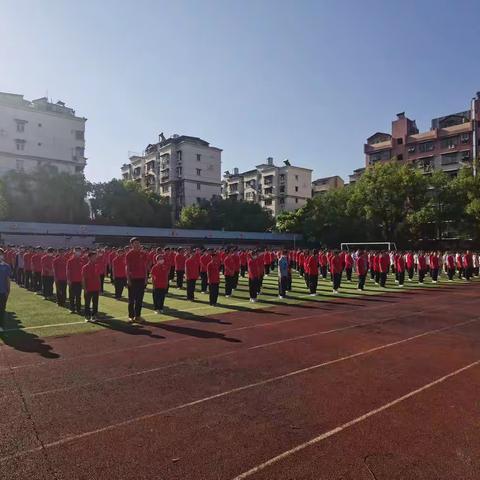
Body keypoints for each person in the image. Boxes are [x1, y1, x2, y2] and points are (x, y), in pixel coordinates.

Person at [125, 237, 148, 323]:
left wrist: (146, 278)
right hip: (132, 279)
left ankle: (138, 316)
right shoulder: (129, 254)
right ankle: (131, 316)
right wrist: (128, 279)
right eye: (135, 243)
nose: (137, 244)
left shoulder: (143, 254)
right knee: (131, 299)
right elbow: (127, 267)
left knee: (139, 299)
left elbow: (145, 267)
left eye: (138, 243)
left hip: (141, 279)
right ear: (131, 245)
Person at [82, 251, 101, 322]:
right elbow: (83, 279)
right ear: (89, 258)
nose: (95, 258)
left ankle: (94, 316)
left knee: (95, 303)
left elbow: (98, 277)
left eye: (95, 256)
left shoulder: (97, 266)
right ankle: (87, 316)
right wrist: (85, 288)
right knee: (87, 303)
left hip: (96, 288)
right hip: (88, 288)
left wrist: (99, 287)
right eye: (93, 257)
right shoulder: (85, 267)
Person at [67, 247, 84, 314]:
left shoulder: (81, 260)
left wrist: (83, 280)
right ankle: (72, 308)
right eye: (77, 251)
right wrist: (68, 280)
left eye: (79, 251)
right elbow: (68, 271)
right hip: (72, 281)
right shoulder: (70, 261)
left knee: (78, 296)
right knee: (72, 296)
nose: (78, 252)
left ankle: (78, 309)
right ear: (74, 252)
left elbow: (83, 272)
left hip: (79, 281)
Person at [0, 248, 11, 331]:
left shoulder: (6, 266)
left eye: (1, 254)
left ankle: (1, 325)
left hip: (3, 291)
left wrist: (8, 290)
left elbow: (7, 279)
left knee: (2, 309)